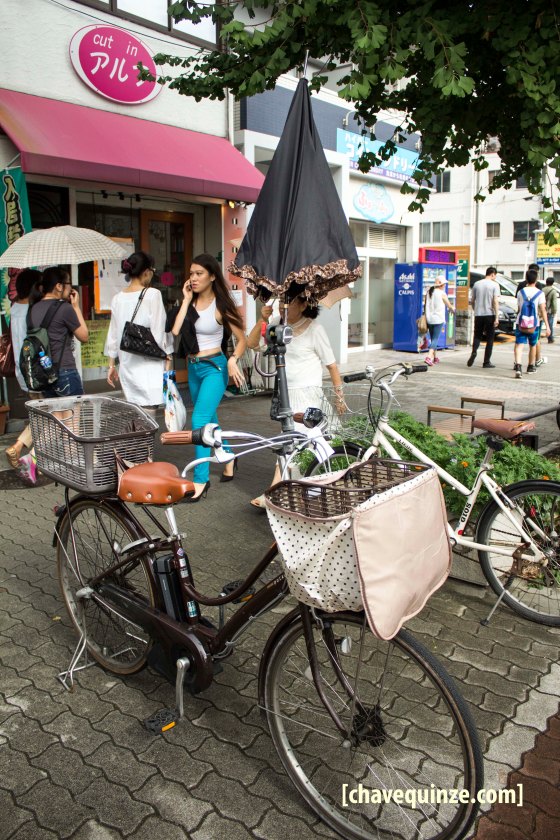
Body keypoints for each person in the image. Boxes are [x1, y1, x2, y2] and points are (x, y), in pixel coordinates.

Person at [246, 293, 345, 508]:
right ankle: (303, 487)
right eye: (282, 301)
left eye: (289, 301)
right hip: (286, 395)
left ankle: (275, 491)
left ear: (302, 304)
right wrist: (262, 320)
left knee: (292, 442)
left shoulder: (315, 328)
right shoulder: (276, 325)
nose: (284, 305)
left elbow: (332, 365)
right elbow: (252, 344)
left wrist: (340, 397)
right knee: (302, 444)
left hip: (309, 396)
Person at [169, 254, 246, 501]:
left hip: (215, 368)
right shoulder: (190, 303)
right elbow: (176, 330)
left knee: (200, 419)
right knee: (211, 419)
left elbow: (242, 339)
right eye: (191, 273)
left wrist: (233, 359)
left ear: (212, 276)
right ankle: (230, 456)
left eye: (199, 273)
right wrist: (185, 300)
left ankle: (200, 479)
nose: (193, 278)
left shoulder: (221, 306)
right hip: (193, 368)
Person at [105, 251, 173, 413]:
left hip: (127, 365)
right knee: (149, 416)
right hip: (149, 364)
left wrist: (111, 364)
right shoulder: (152, 295)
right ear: (146, 272)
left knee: (135, 416)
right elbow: (159, 331)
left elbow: (113, 333)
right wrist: (167, 356)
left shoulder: (117, 298)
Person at [26, 266, 89, 397]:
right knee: (72, 417)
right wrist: (76, 307)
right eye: (68, 283)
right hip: (65, 371)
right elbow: (84, 336)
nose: (70, 287)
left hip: (45, 373)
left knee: (54, 416)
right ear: (59, 286)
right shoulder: (65, 308)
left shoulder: (32, 309)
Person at [4, 268, 42, 479]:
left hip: (22, 372)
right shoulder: (33, 310)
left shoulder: (15, 306)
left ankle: (19, 448)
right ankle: (29, 454)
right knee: (50, 416)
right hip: (36, 371)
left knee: (39, 414)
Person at [513, 268, 550, 378]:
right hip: (534, 324)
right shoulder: (540, 293)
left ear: (526, 279)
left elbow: (519, 308)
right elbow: (543, 310)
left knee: (519, 345)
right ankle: (530, 367)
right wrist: (548, 326)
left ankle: (518, 367)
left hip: (520, 322)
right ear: (536, 280)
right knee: (532, 345)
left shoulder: (520, 292)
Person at [467, 266, 499, 368]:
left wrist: (475, 310)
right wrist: (497, 316)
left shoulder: (476, 284)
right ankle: (486, 362)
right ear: (493, 274)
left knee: (477, 335)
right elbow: (495, 301)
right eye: (495, 275)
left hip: (478, 314)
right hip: (490, 314)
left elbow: (472, 301)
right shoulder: (495, 285)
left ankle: (474, 351)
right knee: (490, 338)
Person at [424, 276, 455, 366]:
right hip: (438, 319)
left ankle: (435, 357)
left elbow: (426, 304)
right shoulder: (442, 293)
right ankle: (429, 357)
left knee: (433, 337)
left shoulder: (429, 292)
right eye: (444, 284)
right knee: (435, 339)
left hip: (429, 318)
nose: (445, 285)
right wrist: (452, 309)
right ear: (441, 284)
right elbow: (449, 305)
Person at [543, 277, 557, 343]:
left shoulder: (542, 289)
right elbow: (554, 302)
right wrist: (554, 311)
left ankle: (537, 338)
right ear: (552, 283)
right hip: (549, 311)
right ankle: (550, 338)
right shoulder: (553, 291)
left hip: (541, 310)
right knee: (550, 324)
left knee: (539, 324)